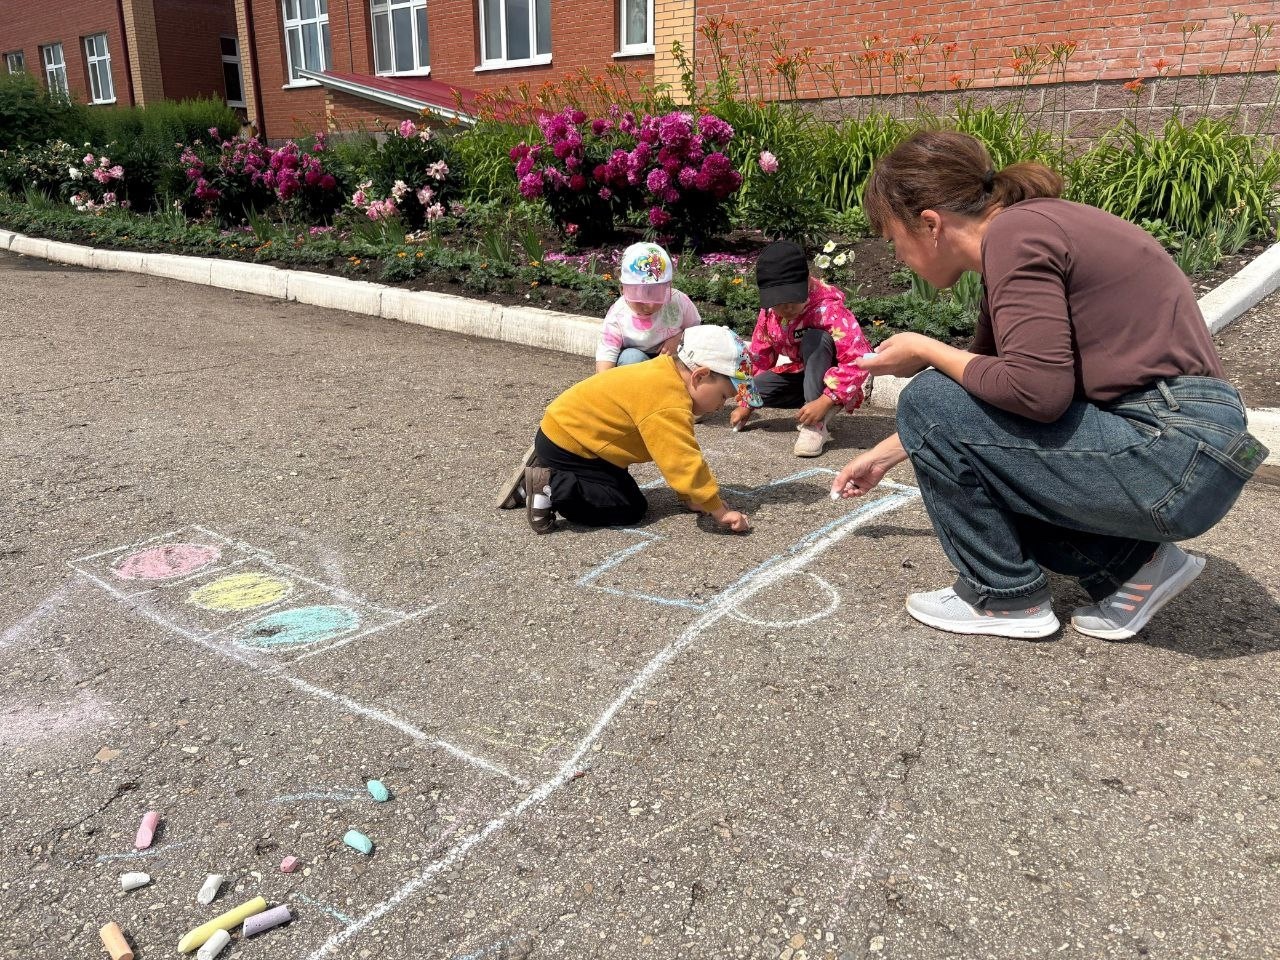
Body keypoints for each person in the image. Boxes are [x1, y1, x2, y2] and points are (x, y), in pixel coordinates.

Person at [832, 130, 1267, 641]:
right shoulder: (1029, 231)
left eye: (892, 239)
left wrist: (926, 350)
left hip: (1169, 449)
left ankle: (1003, 598)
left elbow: (1034, 393)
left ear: (930, 224)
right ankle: (1134, 570)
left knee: (928, 394)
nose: (896, 255)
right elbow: (985, 399)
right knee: (947, 408)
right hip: (1188, 449)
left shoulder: (1016, 236)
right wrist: (887, 453)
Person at [496, 325, 761, 534]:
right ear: (700, 376)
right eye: (724, 396)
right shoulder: (668, 402)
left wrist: (692, 496)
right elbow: (681, 460)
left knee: (625, 495)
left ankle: (539, 472)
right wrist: (718, 510)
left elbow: (674, 453)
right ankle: (551, 485)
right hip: (573, 446)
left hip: (574, 437)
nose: (721, 406)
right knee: (627, 509)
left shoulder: (665, 374)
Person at [730, 240, 874, 457]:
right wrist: (747, 401)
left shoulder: (828, 309)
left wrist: (826, 400)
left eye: (791, 299)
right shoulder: (770, 313)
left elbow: (858, 358)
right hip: (801, 375)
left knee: (814, 339)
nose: (785, 308)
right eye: (778, 302)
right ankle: (810, 403)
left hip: (833, 381)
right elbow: (759, 357)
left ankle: (814, 424)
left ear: (806, 281)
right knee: (757, 385)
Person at [595, 242, 701, 372]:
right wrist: (604, 384)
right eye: (639, 298)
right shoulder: (618, 314)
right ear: (623, 289)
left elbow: (697, 331)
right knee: (631, 357)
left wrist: (680, 339)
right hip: (638, 367)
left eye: (657, 295)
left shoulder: (678, 301)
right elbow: (607, 352)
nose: (649, 306)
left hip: (671, 363)